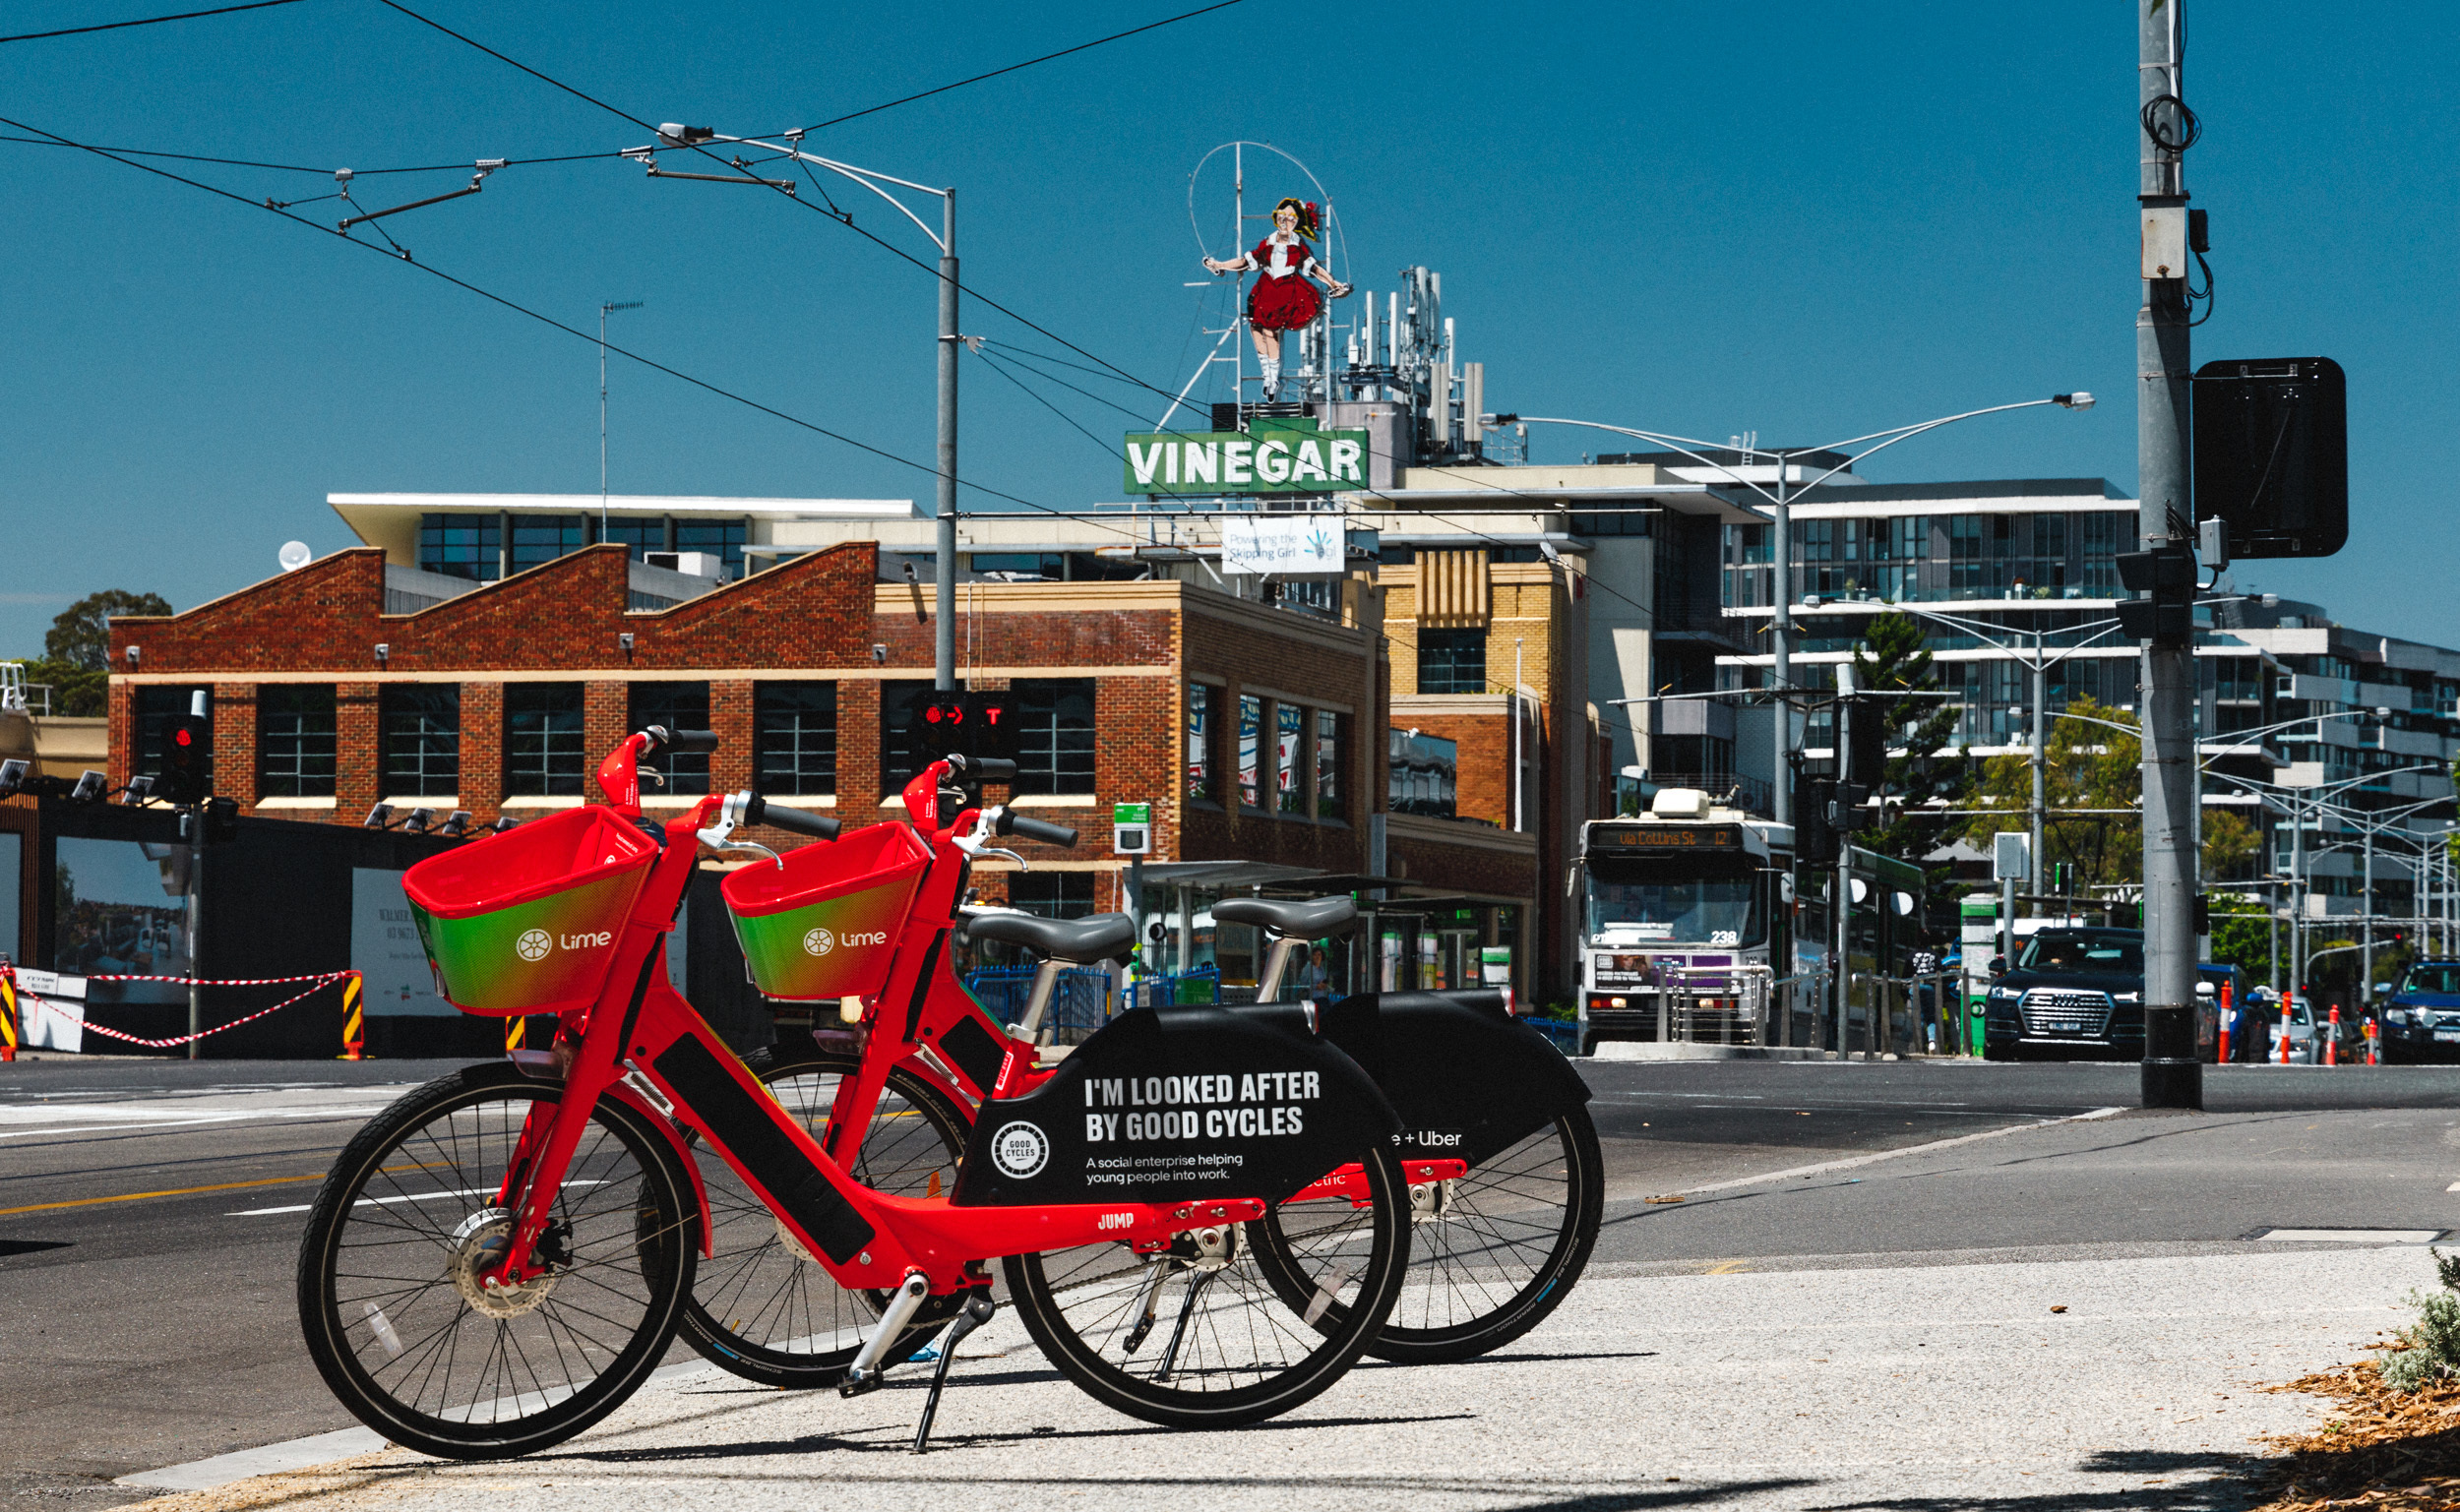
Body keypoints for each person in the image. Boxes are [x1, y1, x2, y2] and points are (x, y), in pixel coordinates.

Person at [1201, 198, 1350, 401]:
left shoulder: (1297, 246)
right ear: (1276, 217)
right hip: (1265, 288)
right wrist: (1220, 264)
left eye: (1290, 218)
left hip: (1285, 290)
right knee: (1255, 329)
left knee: (1270, 332)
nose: (1285, 221)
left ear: (1297, 222)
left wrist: (1334, 283)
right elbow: (1245, 262)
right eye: (1282, 216)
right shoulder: (1268, 243)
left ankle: (1273, 380)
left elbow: (1315, 269)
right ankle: (1268, 376)